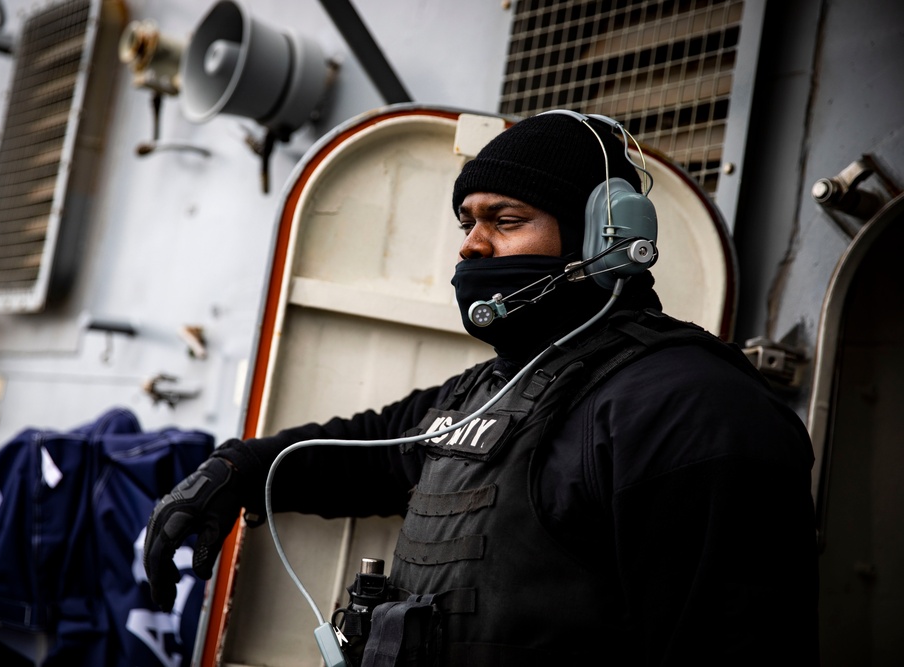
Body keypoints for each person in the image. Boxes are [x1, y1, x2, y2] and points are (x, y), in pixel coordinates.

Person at [143, 112, 820, 665]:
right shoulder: (495, 387)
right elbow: (367, 449)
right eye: (467, 221)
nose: (471, 245)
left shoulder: (691, 408)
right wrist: (236, 468)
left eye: (505, 219)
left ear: (603, 237)